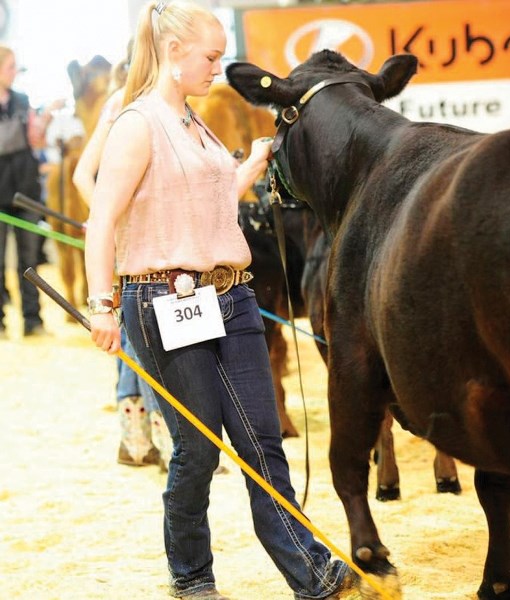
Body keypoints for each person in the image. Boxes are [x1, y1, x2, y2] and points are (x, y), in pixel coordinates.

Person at [84, 2, 353, 599]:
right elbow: (101, 221)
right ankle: (191, 575)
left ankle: (309, 574)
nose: (216, 68)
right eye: (208, 56)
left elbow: (209, 204)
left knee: (264, 444)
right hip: (161, 302)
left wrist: (252, 165)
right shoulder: (137, 124)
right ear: (174, 52)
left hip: (230, 298)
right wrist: (101, 305)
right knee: (199, 451)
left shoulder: (195, 123)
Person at [73, 46, 171, 470]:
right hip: (136, 244)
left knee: (135, 336)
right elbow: (83, 173)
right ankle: (166, 442)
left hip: (154, 241)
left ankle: (136, 442)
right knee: (144, 336)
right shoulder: (124, 103)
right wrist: (111, 220)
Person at [0, 44, 53, 339]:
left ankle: (33, 320)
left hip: (25, 190)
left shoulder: (22, 100)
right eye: (10, 67)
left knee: (29, 260)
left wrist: (44, 122)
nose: (14, 72)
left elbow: (35, 141)